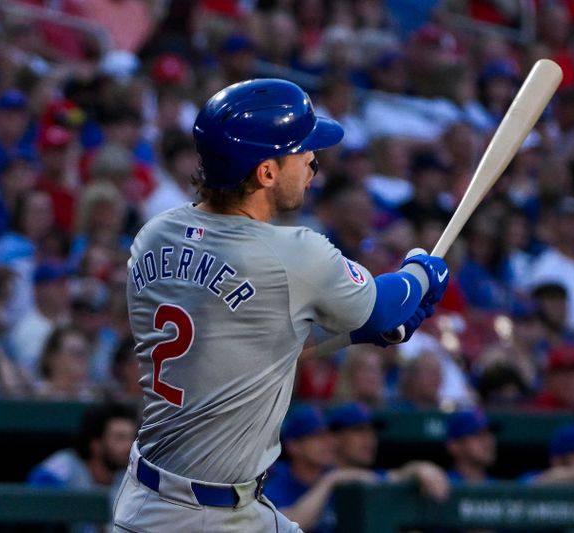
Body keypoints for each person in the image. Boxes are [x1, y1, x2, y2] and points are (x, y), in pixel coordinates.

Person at [113, 78, 449, 533]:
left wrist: (355, 329)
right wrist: (421, 270)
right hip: (201, 516)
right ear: (266, 173)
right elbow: (389, 305)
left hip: (163, 499)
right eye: (302, 151)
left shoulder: (154, 234)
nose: (313, 162)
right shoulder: (293, 253)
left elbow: (238, 350)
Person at [264, 405, 377, 533]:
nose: (329, 442)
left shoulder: (337, 474)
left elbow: (389, 477)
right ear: (293, 446)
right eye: (317, 436)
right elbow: (286, 527)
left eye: (330, 435)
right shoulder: (277, 482)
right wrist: (328, 482)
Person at [28, 402, 138, 531]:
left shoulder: (130, 477)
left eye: (131, 438)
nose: (129, 446)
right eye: (120, 438)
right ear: (95, 444)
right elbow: (33, 505)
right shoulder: (62, 469)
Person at [444, 409, 498, 485]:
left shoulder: (500, 488)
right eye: (478, 435)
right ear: (454, 446)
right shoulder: (442, 484)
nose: (489, 441)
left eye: (490, 434)